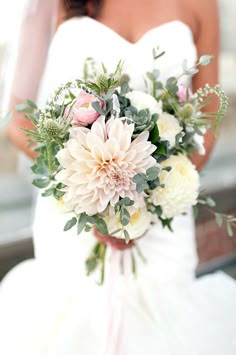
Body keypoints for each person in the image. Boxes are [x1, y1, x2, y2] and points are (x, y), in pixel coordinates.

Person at [1, 0, 236, 354]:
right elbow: (17, 118)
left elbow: (209, 118)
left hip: (161, 226)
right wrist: (87, 183)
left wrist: (151, 195)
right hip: (74, 209)